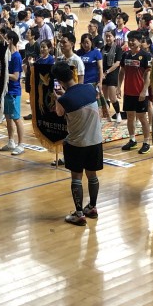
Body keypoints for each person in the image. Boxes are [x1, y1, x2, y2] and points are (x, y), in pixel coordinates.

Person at [53, 60, 103, 226]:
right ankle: (92, 208)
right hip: (95, 141)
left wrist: (58, 98)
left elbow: (59, 113)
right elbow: (79, 98)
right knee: (92, 175)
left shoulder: (64, 100)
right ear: (72, 74)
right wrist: (64, 95)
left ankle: (79, 214)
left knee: (76, 177)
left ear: (60, 81)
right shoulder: (90, 88)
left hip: (77, 143)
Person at [120, 30, 152, 154]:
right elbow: (122, 72)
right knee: (130, 117)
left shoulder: (146, 55)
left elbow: (148, 75)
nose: (131, 42)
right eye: (129, 40)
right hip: (128, 92)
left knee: (142, 118)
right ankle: (132, 140)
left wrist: (144, 91)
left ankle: (146, 142)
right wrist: (118, 87)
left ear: (139, 41)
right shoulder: (125, 55)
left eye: (133, 40)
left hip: (140, 93)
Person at [0, 29, 26, 156]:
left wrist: (3, 74)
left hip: (14, 91)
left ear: (11, 40)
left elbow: (15, 76)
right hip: (6, 90)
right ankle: (11, 142)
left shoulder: (16, 57)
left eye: (5, 38)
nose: (3, 39)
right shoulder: (7, 55)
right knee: (8, 118)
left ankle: (21, 144)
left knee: (16, 119)